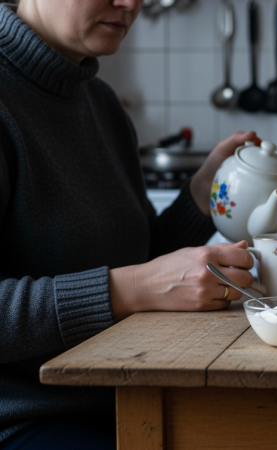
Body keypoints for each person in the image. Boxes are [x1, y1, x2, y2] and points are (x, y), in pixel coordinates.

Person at [0, 0, 258, 448]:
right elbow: (134, 282)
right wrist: (130, 289)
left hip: (131, 398)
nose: (131, 4)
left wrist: (198, 201)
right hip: (25, 421)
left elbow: (135, 260)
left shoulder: (101, 103)